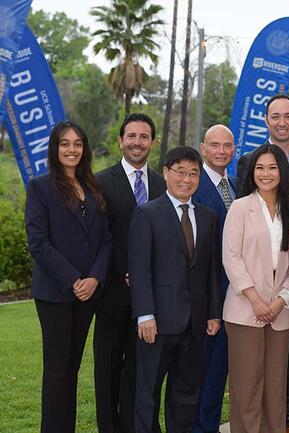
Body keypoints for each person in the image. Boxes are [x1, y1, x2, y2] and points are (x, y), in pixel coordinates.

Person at [236, 93, 289, 432]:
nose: (282, 122)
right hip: (262, 276)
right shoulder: (249, 161)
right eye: (275, 116)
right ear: (266, 120)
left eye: (288, 116)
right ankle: (272, 420)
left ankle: (280, 415)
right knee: (261, 357)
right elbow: (242, 219)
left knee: (288, 350)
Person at [25, 121, 111, 433]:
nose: (71, 149)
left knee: (72, 369)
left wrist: (95, 278)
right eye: (65, 144)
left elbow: (105, 239)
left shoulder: (93, 187)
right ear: (55, 148)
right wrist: (74, 279)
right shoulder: (40, 187)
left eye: (77, 144)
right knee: (58, 371)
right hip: (56, 293)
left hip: (89, 293)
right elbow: (38, 242)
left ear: (84, 149)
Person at [128, 146, 222, 433]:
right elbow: (140, 268)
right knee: (148, 393)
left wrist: (214, 313)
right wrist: (145, 314)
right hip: (157, 322)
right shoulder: (147, 213)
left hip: (194, 322)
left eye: (193, 173)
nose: (187, 179)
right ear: (166, 173)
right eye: (180, 172)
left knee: (186, 393)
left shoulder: (208, 217)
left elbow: (211, 271)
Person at [94, 113, 166, 433]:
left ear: (153, 142)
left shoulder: (163, 184)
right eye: (132, 136)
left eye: (144, 136)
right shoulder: (99, 182)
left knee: (140, 370)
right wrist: (127, 270)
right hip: (112, 292)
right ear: (120, 141)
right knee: (109, 369)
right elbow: (97, 237)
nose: (137, 142)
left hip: (149, 299)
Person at [222, 144, 289, 433]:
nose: (266, 174)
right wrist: (255, 299)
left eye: (273, 167)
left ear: (282, 171)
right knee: (246, 386)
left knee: (276, 388)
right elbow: (231, 257)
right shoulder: (240, 207)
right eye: (260, 168)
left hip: (281, 312)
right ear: (252, 173)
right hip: (244, 311)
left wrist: (281, 300)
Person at [192, 125, 237, 433]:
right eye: (215, 145)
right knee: (202, 373)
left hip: (233, 295)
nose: (222, 151)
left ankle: (207, 425)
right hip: (205, 297)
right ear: (203, 148)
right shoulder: (193, 186)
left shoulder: (235, 185)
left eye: (228, 145)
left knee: (219, 371)